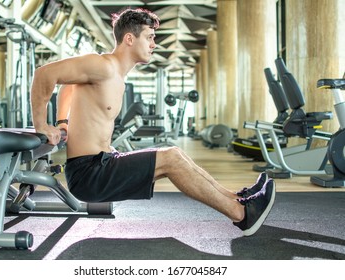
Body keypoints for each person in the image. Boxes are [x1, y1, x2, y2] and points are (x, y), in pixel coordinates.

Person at [30, 8, 275, 236]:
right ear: (129, 39)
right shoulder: (102, 65)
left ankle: (237, 199)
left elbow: (69, 86)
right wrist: (42, 125)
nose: (154, 44)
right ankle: (242, 214)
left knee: (175, 153)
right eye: (149, 37)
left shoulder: (114, 73)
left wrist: (63, 121)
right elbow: (45, 74)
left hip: (103, 161)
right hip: (89, 173)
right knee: (172, 157)